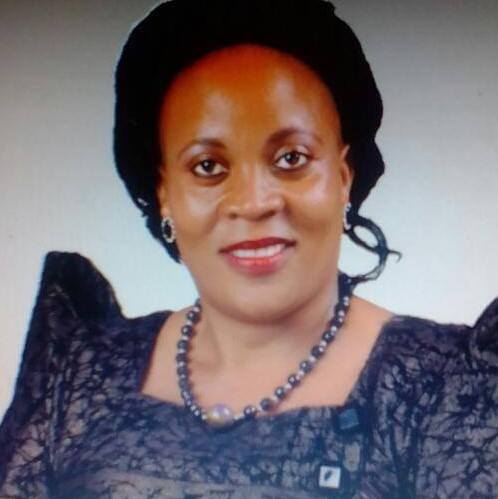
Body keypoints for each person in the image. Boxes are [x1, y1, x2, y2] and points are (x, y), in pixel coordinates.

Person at [0, 0, 497, 497]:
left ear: (344, 177)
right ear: (164, 193)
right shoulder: (78, 378)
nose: (254, 202)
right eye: (208, 167)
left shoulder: (446, 392)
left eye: (291, 158)